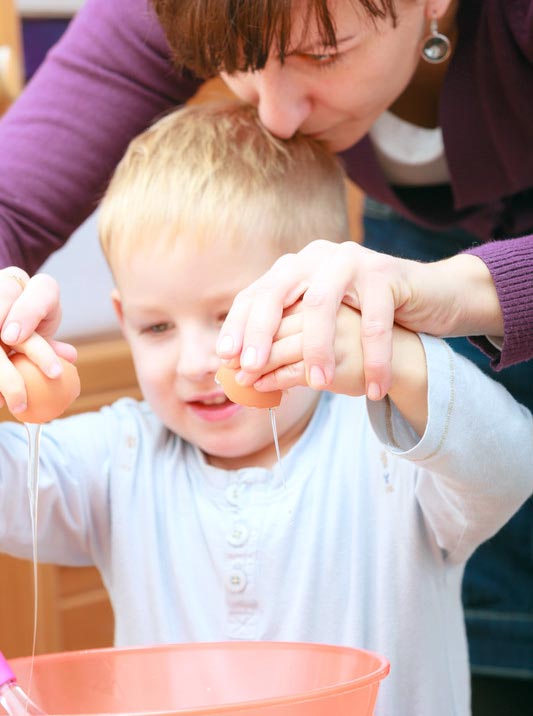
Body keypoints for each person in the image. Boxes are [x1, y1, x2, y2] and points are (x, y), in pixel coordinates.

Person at [0, 0, 531, 710]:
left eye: (233, 316)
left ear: (329, 301)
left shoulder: (391, 458)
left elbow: (508, 466)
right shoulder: (115, 461)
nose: (194, 361)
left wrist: (397, 360)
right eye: (156, 329)